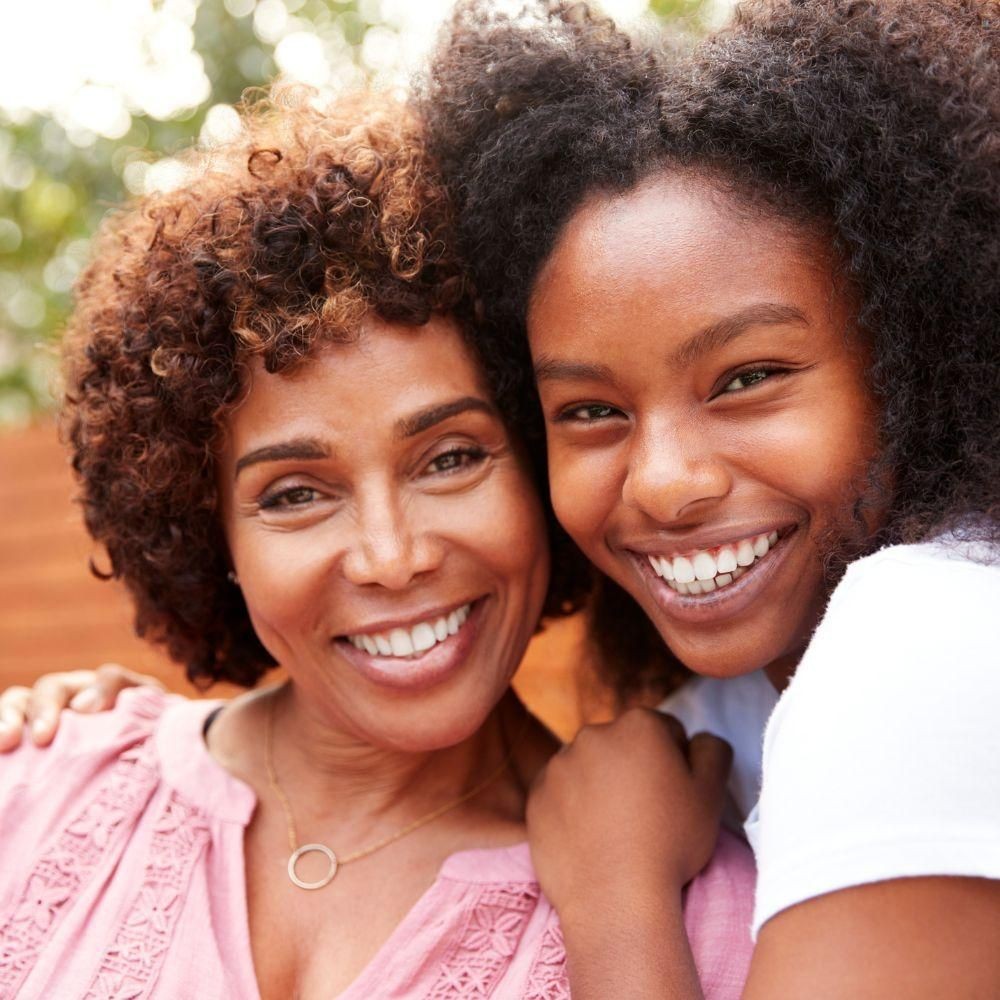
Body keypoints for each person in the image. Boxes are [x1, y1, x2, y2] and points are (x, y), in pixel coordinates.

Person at [0, 85, 755, 998]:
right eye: (292, 494)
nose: (392, 557)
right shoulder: (37, 790)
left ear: (543, 463)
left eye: (449, 459)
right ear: (211, 537)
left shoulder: (691, 911)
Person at [413, 0, 1000, 996]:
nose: (665, 480)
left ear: (912, 359)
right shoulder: (714, 722)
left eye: (746, 377)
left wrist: (617, 898)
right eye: (591, 410)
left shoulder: (924, 628)